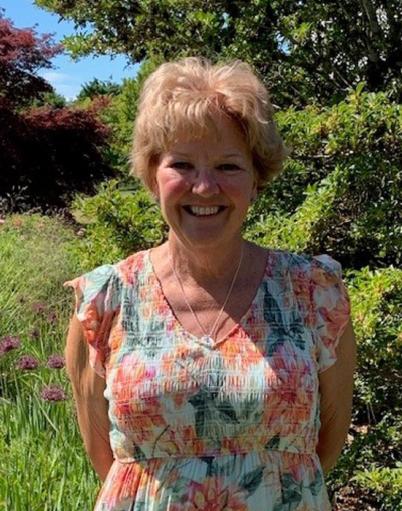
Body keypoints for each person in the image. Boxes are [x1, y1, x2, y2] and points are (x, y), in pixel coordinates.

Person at [64, 57, 357, 511]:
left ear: (257, 179)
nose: (204, 188)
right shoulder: (105, 302)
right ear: (152, 175)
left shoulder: (312, 292)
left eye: (228, 166)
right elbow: (107, 460)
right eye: (182, 164)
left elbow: (326, 443)